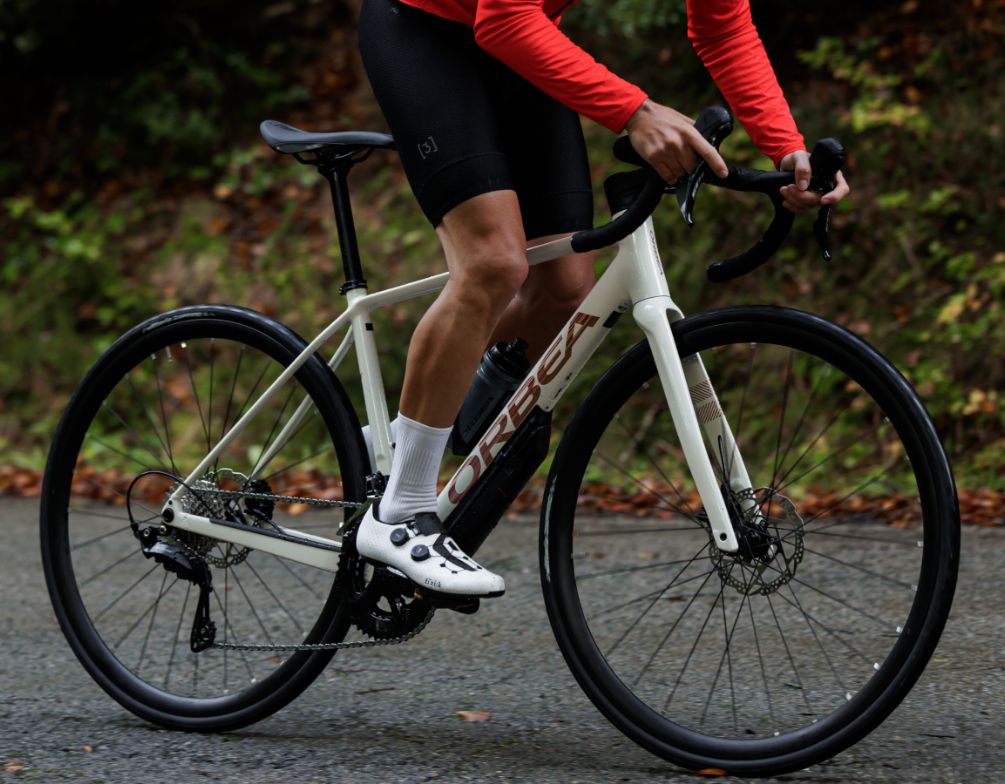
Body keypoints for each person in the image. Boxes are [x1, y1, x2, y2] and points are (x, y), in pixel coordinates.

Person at [353, 0, 851, 597]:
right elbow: (503, 18)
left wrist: (786, 149)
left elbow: (723, 25)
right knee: (492, 262)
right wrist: (636, 111)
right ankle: (400, 512)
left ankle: (404, 434)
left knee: (564, 292)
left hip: (517, 43)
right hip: (425, 29)